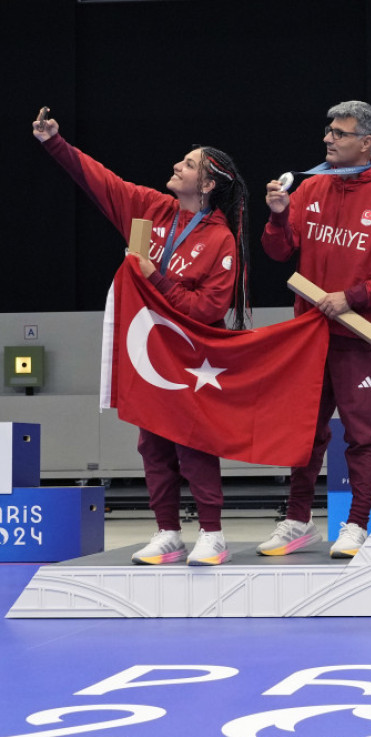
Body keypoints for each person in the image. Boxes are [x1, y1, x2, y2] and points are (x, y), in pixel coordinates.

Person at [32, 107, 251, 567]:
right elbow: (102, 181)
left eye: (189, 164)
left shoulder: (220, 241)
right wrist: (56, 142)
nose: (178, 166)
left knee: (193, 446)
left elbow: (210, 310)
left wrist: (158, 279)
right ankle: (167, 532)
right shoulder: (151, 211)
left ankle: (212, 533)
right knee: (151, 444)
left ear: (208, 185)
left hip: (192, 363)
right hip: (149, 355)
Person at [258, 100, 371, 558]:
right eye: (328, 130)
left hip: (357, 339)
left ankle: (357, 523)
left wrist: (352, 297)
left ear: (366, 143)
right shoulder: (311, 188)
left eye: (339, 133)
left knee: (363, 434)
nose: (328, 138)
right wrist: (276, 214)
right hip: (307, 338)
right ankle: (297, 521)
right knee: (304, 431)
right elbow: (278, 251)